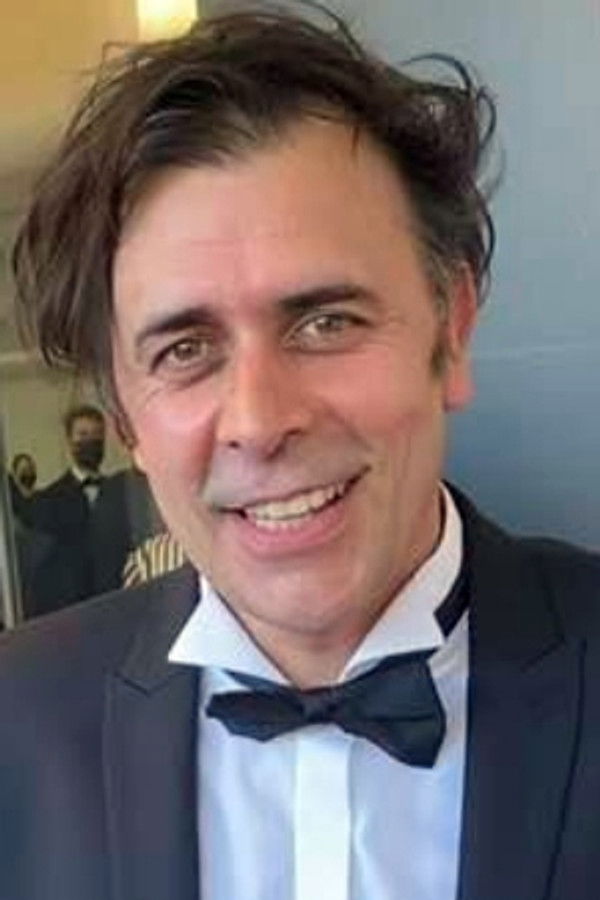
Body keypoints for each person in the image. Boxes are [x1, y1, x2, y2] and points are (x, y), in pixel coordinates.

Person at [1, 6, 600, 899]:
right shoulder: (14, 719)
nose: (259, 420)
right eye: (184, 349)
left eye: (326, 322)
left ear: (451, 329)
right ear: (125, 416)